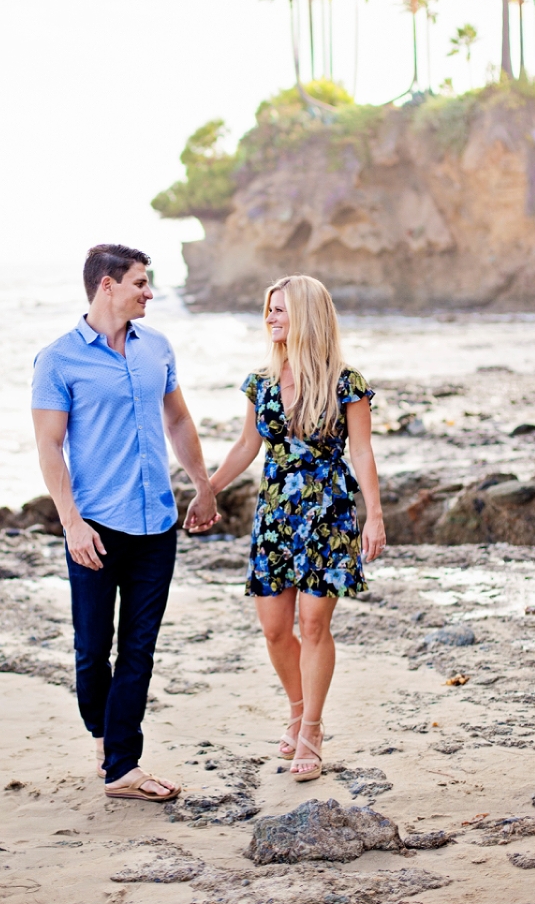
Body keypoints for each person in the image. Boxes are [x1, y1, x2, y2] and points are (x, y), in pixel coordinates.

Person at [31, 244, 217, 803]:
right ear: (107, 285)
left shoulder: (156, 347)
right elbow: (49, 447)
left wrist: (203, 485)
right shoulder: (58, 359)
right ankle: (105, 736)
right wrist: (71, 523)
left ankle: (122, 766)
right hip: (96, 527)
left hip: (156, 523)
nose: (150, 292)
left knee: (139, 648)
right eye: (140, 282)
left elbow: (178, 418)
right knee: (93, 650)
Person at [209, 275, 385, 782]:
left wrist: (374, 516)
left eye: (280, 310)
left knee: (313, 625)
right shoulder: (261, 381)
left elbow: (363, 451)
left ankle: (311, 728)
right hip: (275, 516)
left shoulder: (345, 382)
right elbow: (247, 446)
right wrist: (209, 488)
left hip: (327, 516)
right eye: (268, 310)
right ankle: (295, 705)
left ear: (306, 314)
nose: (270, 318)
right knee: (272, 628)